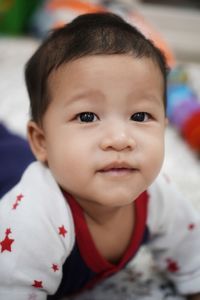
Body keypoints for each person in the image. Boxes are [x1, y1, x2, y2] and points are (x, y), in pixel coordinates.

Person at [0, 12, 200, 300]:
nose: (120, 139)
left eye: (140, 116)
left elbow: (191, 256)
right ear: (42, 141)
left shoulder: (159, 197)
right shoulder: (30, 225)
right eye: (87, 116)